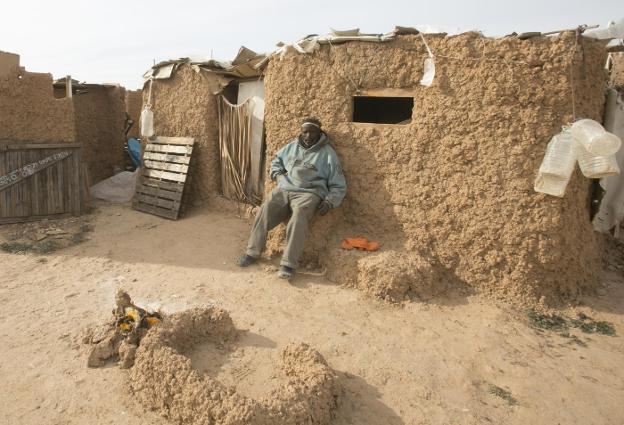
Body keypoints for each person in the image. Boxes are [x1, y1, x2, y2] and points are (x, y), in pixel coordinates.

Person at [236, 117, 347, 280]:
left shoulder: (328, 154)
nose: (308, 136)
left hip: (309, 193)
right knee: (265, 209)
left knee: (299, 216)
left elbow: (339, 185)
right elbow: (276, 163)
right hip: (285, 188)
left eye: (312, 132)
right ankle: (252, 252)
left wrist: (330, 202)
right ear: (301, 133)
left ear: (319, 132)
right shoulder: (291, 147)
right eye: (305, 132)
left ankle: (288, 264)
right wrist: (279, 177)